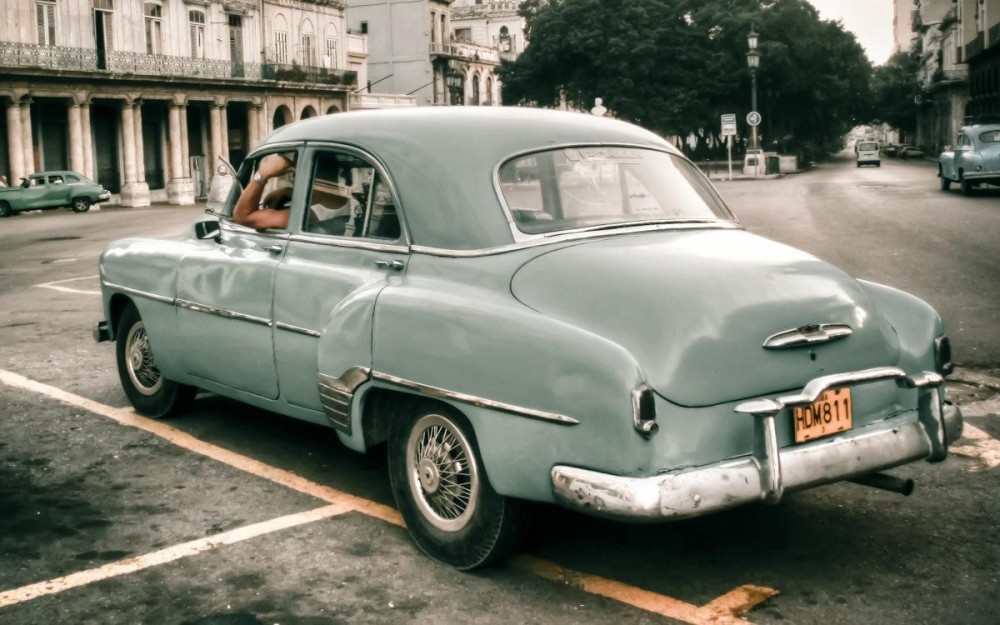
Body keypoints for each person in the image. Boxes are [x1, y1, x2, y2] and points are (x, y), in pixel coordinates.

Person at [232, 153, 295, 230]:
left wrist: (262, 174)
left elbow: (242, 217)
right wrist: (286, 192)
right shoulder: (310, 211)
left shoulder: (300, 216)